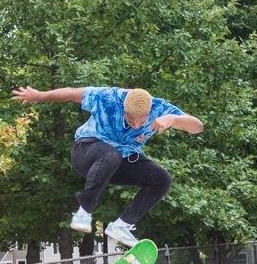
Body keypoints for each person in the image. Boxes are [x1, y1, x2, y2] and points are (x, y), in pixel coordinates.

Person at [11, 86, 203, 246]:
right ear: (124, 109)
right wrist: (38, 96)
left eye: (141, 122)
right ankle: (84, 211)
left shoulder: (160, 108)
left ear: (149, 113)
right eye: (130, 120)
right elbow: (71, 93)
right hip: (87, 151)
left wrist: (174, 120)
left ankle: (122, 225)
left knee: (161, 179)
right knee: (111, 155)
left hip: (120, 161)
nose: (136, 126)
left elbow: (197, 127)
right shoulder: (109, 98)